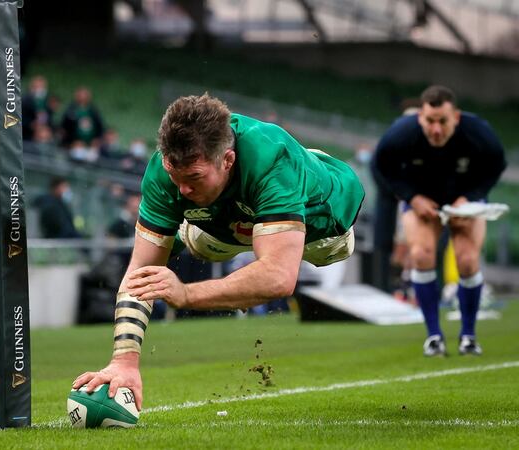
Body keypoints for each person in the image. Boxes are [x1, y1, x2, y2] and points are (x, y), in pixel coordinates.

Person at [73, 94, 364, 410]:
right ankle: (191, 224)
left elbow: (279, 279)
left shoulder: (272, 159)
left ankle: (311, 161)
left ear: (227, 159)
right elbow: (140, 274)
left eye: (194, 177)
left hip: (322, 229)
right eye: (176, 176)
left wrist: (185, 294)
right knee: (195, 240)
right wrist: (124, 362)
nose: (183, 188)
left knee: (329, 250)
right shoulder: (162, 171)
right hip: (223, 224)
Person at [371, 85, 506, 357]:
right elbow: (381, 166)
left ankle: (468, 336)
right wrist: (412, 196)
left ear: (455, 117)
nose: (435, 129)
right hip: (422, 200)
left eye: (442, 121)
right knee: (421, 255)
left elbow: (496, 165)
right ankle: (434, 336)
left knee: (467, 261)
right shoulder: (401, 133)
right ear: (420, 116)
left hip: (464, 201)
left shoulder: (478, 132)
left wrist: (470, 197)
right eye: (429, 121)